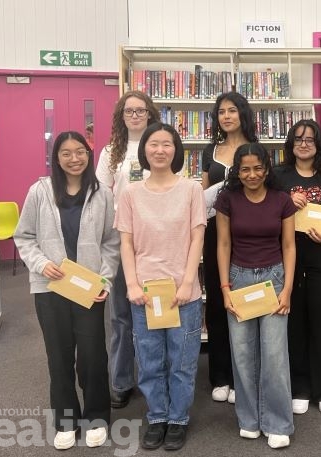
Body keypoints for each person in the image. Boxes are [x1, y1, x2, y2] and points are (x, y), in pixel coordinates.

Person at [14, 131, 120, 450]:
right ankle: (65, 421)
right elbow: (24, 236)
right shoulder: (40, 191)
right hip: (50, 288)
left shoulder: (101, 194)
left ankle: (97, 417)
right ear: (56, 157)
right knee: (58, 355)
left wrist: (105, 279)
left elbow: (111, 243)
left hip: (88, 289)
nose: (74, 158)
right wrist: (41, 263)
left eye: (80, 152)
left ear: (89, 154)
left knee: (91, 356)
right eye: (66, 153)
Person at [114, 122, 206, 450]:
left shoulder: (191, 189)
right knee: (150, 359)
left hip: (183, 293)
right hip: (145, 293)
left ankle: (178, 418)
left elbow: (198, 237)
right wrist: (132, 285)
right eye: (154, 144)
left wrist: (187, 282)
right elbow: (126, 243)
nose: (160, 150)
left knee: (182, 359)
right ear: (144, 151)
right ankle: (157, 416)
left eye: (167, 144)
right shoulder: (131, 193)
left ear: (176, 150)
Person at [215, 142, 296, 449]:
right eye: (245, 169)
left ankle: (277, 422)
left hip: (274, 279)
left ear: (267, 168)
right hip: (240, 280)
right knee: (243, 353)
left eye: (258, 168)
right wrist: (224, 288)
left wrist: (287, 288)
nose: (252, 175)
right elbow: (223, 245)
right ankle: (249, 419)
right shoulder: (227, 199)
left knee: (274, 355)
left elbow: (289, 246)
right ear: (238, 171)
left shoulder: (282, 200)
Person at [273, 119, 321, 415]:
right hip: (288, 258)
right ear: (290, 143)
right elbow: (266, 208)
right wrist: (285, 199)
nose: (303, 143)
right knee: (294, 324)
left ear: (319, 143)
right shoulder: (278, 175)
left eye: (309, 139)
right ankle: (300, 386)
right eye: (297, 138)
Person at [96, 90, 161, 409]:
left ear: (150, 113)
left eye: (141, 110)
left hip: (156, 240)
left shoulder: (160, 145)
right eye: (129, 111)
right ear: (121, 116)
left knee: (154, 312)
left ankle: (155, 379)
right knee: (121, 316)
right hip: (123, 238)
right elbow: (101, 197)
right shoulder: (111, 152)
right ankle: (121, 380)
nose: (135, 115)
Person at [201, 92, 257, 404]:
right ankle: (220, 375)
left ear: (242, 114)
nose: (226, 116)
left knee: (245, 301)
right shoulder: (212, 149)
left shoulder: (254, 149)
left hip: (248, 234)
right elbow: (204, 189)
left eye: (232, 110)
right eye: (221, 111)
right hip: (214, 233)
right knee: (218, 302)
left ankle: (242, 375)